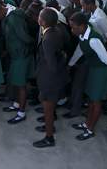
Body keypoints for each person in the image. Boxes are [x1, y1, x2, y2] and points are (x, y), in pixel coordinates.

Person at [69, 12, 107, 140]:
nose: (72, 30)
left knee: (96, 101)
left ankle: (90, 130)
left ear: (82, 26)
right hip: (94, 69)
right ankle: (86, 123)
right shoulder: (82, 35)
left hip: (101, 71)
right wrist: (71, 64)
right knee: (91, 99)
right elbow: (79, 50)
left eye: (74, 27)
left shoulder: (93, 39)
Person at [0, 2, 34, 124]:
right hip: (15, 54)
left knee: (21, 84)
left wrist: (31, 46)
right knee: (16, 82)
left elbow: (24, 36)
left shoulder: (13, 18)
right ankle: (17, 104)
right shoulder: (10, 17)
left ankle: (21, 112)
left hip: (21, 55)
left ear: (0, 11)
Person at [33, 8, 68, 148]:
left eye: (39, 16)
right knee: (50, 108)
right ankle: (49, 126)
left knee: (47, 109)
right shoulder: (56, 31)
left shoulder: (47, 39)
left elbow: (52, 65)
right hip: (56, 77)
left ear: (43, 21)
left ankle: (49, 137)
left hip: (49, 79)